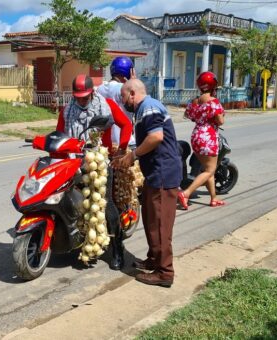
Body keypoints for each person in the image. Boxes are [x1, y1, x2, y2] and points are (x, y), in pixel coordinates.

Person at [56, 74, 132, 270]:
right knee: (72, 202)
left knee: (105, 206)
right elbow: (59, 135)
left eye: (85, 96)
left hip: (99, 163)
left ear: (92, 93)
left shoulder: (106, 105)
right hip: (73, 163)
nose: (81, 100)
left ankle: (117, 249)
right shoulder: (66, 110)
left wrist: (122, 148)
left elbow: (126, 124)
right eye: (78, 97)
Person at [116, 79, 182, 287]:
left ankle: (165, 272)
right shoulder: (145, 108)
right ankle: (154, 259)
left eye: (123, 97)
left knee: (160, 224)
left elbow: (155, 137)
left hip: (163, 173)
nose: (122, 102)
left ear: (133, 93)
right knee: (151, 220)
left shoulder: (149, 107)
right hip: (155, 174)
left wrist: (133, 155)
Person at [177, 71, 225, 209]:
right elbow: (220, 121)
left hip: (196, 136)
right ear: (213, 85)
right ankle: (186, 193)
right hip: (208, 137)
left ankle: (214, 198)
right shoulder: (214, 102)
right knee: (210, 170)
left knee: (207, 169)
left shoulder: (194, 102)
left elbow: (189, 115)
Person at [96, 56, 136, 148]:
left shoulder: (100, 89)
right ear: (129, 71)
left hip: (106, 142)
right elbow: (137, 105)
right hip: (125, 140)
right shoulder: (124, 88)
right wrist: (134, 83)